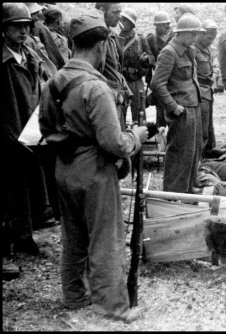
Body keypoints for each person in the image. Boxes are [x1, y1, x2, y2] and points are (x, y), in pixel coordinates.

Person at [38, 9, 148, 322]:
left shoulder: (54, 83)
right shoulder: (96, 88)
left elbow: (46, 129)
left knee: (73, 237)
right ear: (100, 47)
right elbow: (114, 143)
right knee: (105, 239)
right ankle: (114, 306)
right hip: (95, 172)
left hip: (64, 168)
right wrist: (136, 136)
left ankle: (74, 295)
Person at [1, 2, 53, 279]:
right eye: (16, 26)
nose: (22, 31)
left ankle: (24, 237)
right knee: (7, 194)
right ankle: (4, 250)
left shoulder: (30, 55)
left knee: (28, 189)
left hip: (31, 131)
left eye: (25, 26)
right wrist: (11, 137)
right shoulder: (4, 60)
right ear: (4, 28)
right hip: (8, 136)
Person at [151, 13, 205, 194]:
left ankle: (189, 188)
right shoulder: (169, 52)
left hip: (194, 106)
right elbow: (157, 84)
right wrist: (173, 106)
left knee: (194, 151)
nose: (197, 37)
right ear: (183, 33)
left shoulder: (189, 50)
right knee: (179, 153)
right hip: (181, 111)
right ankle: (173, 193)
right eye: (194, 33)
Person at [95, 2, 132, 130]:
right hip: (105, 102)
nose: (120, 16)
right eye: (115, 12)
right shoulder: (95, 38)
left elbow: (116, 69)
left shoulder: (110, 35)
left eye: (120, 12)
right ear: (101, 11)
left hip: (115, 98)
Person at [119, 7, 154, 123]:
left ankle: (140, 135)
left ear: (131, 23)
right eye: (122, 19)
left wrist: (146, 59)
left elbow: (151, 57)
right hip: (121, 80)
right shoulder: (116, 39)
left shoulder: (140, 39)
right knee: (120, 111)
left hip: (136, 81)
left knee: (139, 113)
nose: (122, 22)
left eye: (125, 20)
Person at [194, 19, 218, 157]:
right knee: (201, 130)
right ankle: (199, 159)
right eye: (209, 38)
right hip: (199, 93)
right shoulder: (192, 50)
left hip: (208, 92)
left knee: (208, 128)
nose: (211, 41)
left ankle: (207, 154)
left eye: (213, 39)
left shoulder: (207, 50)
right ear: (201, 34)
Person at [146, 10, 171, 127]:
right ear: (156, 25)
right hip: (159, 78)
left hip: (173, 78)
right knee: (160, 109)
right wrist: (149, 83)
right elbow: (148, 62)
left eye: (166, 24)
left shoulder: (173, 37)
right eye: (161, 24)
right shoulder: (151, 39)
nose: (165, 26)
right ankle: (161, 135)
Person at [26, 2, 65, 69]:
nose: (37, 18)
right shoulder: (39, 27)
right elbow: (54, 56)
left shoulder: (38, 27)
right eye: (35, 14)